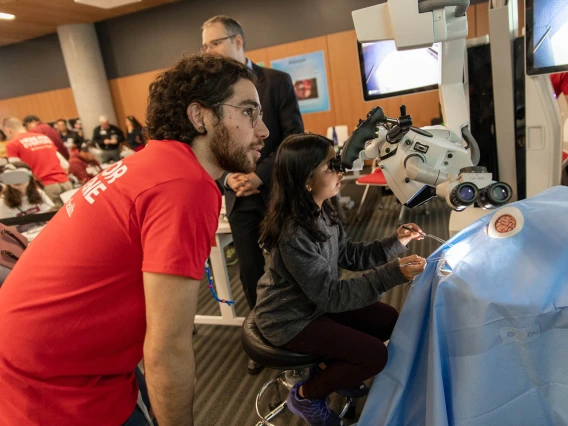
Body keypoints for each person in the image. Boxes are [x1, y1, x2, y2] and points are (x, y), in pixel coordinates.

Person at [0, 53, 268, 426]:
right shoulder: (186, 184)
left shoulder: (152, 162)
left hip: (35, 361)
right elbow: (167, 350)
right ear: (200, 116)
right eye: (249, 112)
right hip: (57, 389)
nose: (263, 130)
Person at [254, 133, 427, 426]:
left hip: (314, 304)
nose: (341, 170)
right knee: (374, 355)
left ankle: (332, 370)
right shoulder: (294, 232)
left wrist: (396, 241)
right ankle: (306, 396)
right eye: (331, 165)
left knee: (387, 319)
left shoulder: (322, 210)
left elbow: (349, 254)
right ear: (306, 179)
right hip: (288, 319)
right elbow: (331, 296)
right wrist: (393, 273)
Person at [202, 15, 304, 374]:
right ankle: (262, 337)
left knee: (293, 264)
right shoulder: (209, 97)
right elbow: (207, 148)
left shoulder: (276, 82)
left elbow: (294, 142)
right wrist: (228, 179)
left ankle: (302, 331)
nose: (208, 51)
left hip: (276, 192)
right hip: (239, 196)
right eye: (205, 45)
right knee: (250, 269)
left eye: (213, 43)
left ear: (238, 41)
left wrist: (259, 175)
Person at [2, 117, 72, 208]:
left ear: (8, 130)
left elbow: (17, 173)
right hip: (66, 183)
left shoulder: (13, 144)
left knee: (54, 219)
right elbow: (65, 164)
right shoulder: (43, 137)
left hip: (45, 187)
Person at [0, 162, 54, 231]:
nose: (17, 181)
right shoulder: (3, 202)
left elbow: (49, 218)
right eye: (12, 177)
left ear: (30, 177)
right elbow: (10, 231)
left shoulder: (39, 193)